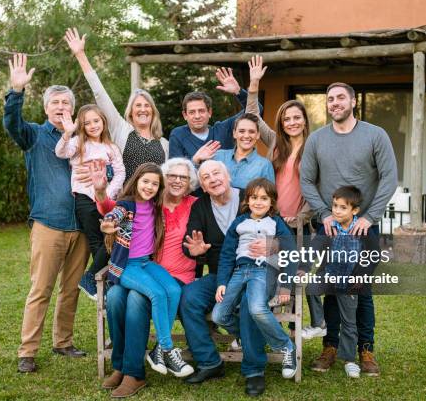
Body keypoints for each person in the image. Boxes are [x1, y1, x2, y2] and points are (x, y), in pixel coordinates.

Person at [300, 81, 398, 377]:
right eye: (330, 99)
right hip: (330, 228)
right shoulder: (317, 140)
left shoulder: (375, 135)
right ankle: (330, 346)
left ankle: (365, 349)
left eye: (341, 98)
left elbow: (389, 177)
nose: (335, 103)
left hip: (363, 229)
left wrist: (370, 216)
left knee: (360, 288)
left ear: (353, 102)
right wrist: (323, 213)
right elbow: (307, 180)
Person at [3, 53, 89, 374]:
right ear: (45, 108)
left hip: (81, 226)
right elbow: (11, 123)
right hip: (48, 224)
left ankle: (63, 342)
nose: (60, 107)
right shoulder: (34, 136)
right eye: (55, 103)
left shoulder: (83, 139)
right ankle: (27, 351)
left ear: (73, 108)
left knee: (70, 289)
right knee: (41, 289)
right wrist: (16, 92)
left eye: (66, 103)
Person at [98, 159, 198, 397]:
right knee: (121, 298)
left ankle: (148, 358)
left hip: (145, 263)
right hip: (125, 266)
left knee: (171, 290)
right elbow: (114, 212)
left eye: (155, 183)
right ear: (136, 181)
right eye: (146, 181)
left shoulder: (155, 206)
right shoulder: (128, 204)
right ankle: (154, 353)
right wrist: (108, 222)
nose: (150, 186)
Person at [246, 55, 326, 340]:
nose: (292, 122)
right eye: (286, 118)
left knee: (296, 275)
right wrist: (254, 86)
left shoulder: (317, 146)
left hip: (301, 225)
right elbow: (253, 118)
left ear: (305, 120)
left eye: (296, 117)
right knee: (276, 275)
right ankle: (282, 335)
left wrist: (302, 215)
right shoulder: (275, 144)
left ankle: (301, 331)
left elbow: (320, 188)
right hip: (275, 222)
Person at [180, 160, 274, 397]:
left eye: (216, 173)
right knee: (189, 297)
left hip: (255, 272)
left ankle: (254, 371)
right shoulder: (200, 206)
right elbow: (189, 244)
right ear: (201, 185)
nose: (212, 179)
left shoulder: (250, 196)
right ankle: (209, 362)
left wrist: (271, 245)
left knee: (247, 304)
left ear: (228, 175)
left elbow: (281, 232)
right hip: (219, 275)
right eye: (206, 177)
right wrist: (195, 250)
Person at [211, 178, 298, 379]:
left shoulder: (276, 222)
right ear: (247, 200)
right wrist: (222, 282)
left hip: (263, 271)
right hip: (240, 271)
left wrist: (285, 285)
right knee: (218, 315)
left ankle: (286, 347)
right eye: (254, 197)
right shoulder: (239, 222)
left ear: (272, 202)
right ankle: (245, 335)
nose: (258, 202)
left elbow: (291, 252)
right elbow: (226, 254)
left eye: (264, 198)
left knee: (257, 307)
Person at [65, 27, 168, 180]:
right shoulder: (121, 129)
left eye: (147, 106)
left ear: (153, 111)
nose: (143, 109)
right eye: (138, 106)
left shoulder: (164, 144)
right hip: (124, 201)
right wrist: (80, 54)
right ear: (131, 112)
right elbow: (100, 94)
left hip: (153, 202)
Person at [55, 105, 125, 301]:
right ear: (82, 127)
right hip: (84, 200)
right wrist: (68, 133)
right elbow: (60, 152)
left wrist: (106, 193)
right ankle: (101, 281)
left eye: (96, 121)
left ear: (103, 121)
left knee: (116, 236)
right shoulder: (78, 143)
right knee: (96, 240)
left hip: (107, 199)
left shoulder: (111, 147)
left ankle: (90, 277)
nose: (93, 126)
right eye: (87, 123)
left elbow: (120, 172)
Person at [316, 186, 365, 378]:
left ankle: (349, 360)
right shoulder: (329, 227)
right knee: (310, 289)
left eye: (343, 207)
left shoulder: (360, 229)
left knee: (349, 322)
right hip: (329, 275)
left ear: (354, 210)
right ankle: (317, 322)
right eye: (335, 205)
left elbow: (369, 256)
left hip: (350, 282)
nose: (336, 210)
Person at [169, 67, 262, 164]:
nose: (197, 116)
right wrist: (195, 160)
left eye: (201, 111)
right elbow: (174, 170)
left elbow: (256, 109)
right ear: (185, 115)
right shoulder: (178, 135)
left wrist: (238, 91)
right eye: (192, 112)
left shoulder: (223, 130)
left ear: (210, 112)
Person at [209, 113, 275, 189]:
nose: (246, 136)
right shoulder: (218, 156)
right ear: (234, 133)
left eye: (251, 132)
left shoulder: (265, 165)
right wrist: (196, 160)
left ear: (258, 135)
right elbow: (200, 181)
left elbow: (269, 197)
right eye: (241, 131)